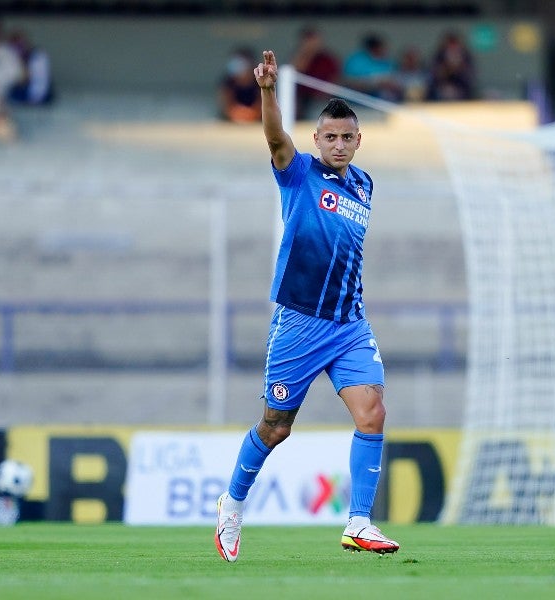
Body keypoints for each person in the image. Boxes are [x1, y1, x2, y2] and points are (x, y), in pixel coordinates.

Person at [215, 49, 400, 563]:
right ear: (317, 141)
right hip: (299, 321)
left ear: (358, 141)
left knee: (372, 414)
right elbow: (275, 138)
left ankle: (358, 523)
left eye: (347, 137)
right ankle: (231, 505)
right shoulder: (297, 174)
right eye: (330, 137)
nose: (339, 145)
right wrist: (268, 92)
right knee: (276, 426)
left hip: (349, 324)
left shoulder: (364, 185)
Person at [290, 26, 341, 119]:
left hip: (322, 98)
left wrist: (322, 94)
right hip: (300, 97)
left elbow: (335, 80)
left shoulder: (327, 58)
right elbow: (293, 72)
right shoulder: (299, 56)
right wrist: (307, 52)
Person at [342, 33, 402, 101]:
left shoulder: (388, 61)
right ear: (374, 48)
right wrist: (376, 83)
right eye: (382, 47)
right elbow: (349, 82)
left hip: (386, 97)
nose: (385, 50)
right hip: (360, 97)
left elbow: (396, 78)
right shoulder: (356, 60)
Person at [8, 30, 54, 105]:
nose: (18, 48)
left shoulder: (38, 56)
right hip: (22, 97)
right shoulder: (13, 59)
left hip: (41, 97)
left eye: (20, 44)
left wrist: (22, 63)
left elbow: (30, 79)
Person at [427, 31, 476, 101]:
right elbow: (435, 74)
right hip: (442, 87)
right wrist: (448, 67)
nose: (453, 46)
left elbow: (470, 74)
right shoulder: (439, 55)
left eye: (455, 43)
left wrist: (459, 66)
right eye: (450, 43)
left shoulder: (465, 56)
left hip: (461, 87)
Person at [218, 47, 262, 123]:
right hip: (231, 123)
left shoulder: (259, 81)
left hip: (256, 123)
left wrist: (250, 115)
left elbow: (262, 105)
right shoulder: (228, 82)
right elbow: (225, 105)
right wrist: (237, 114)